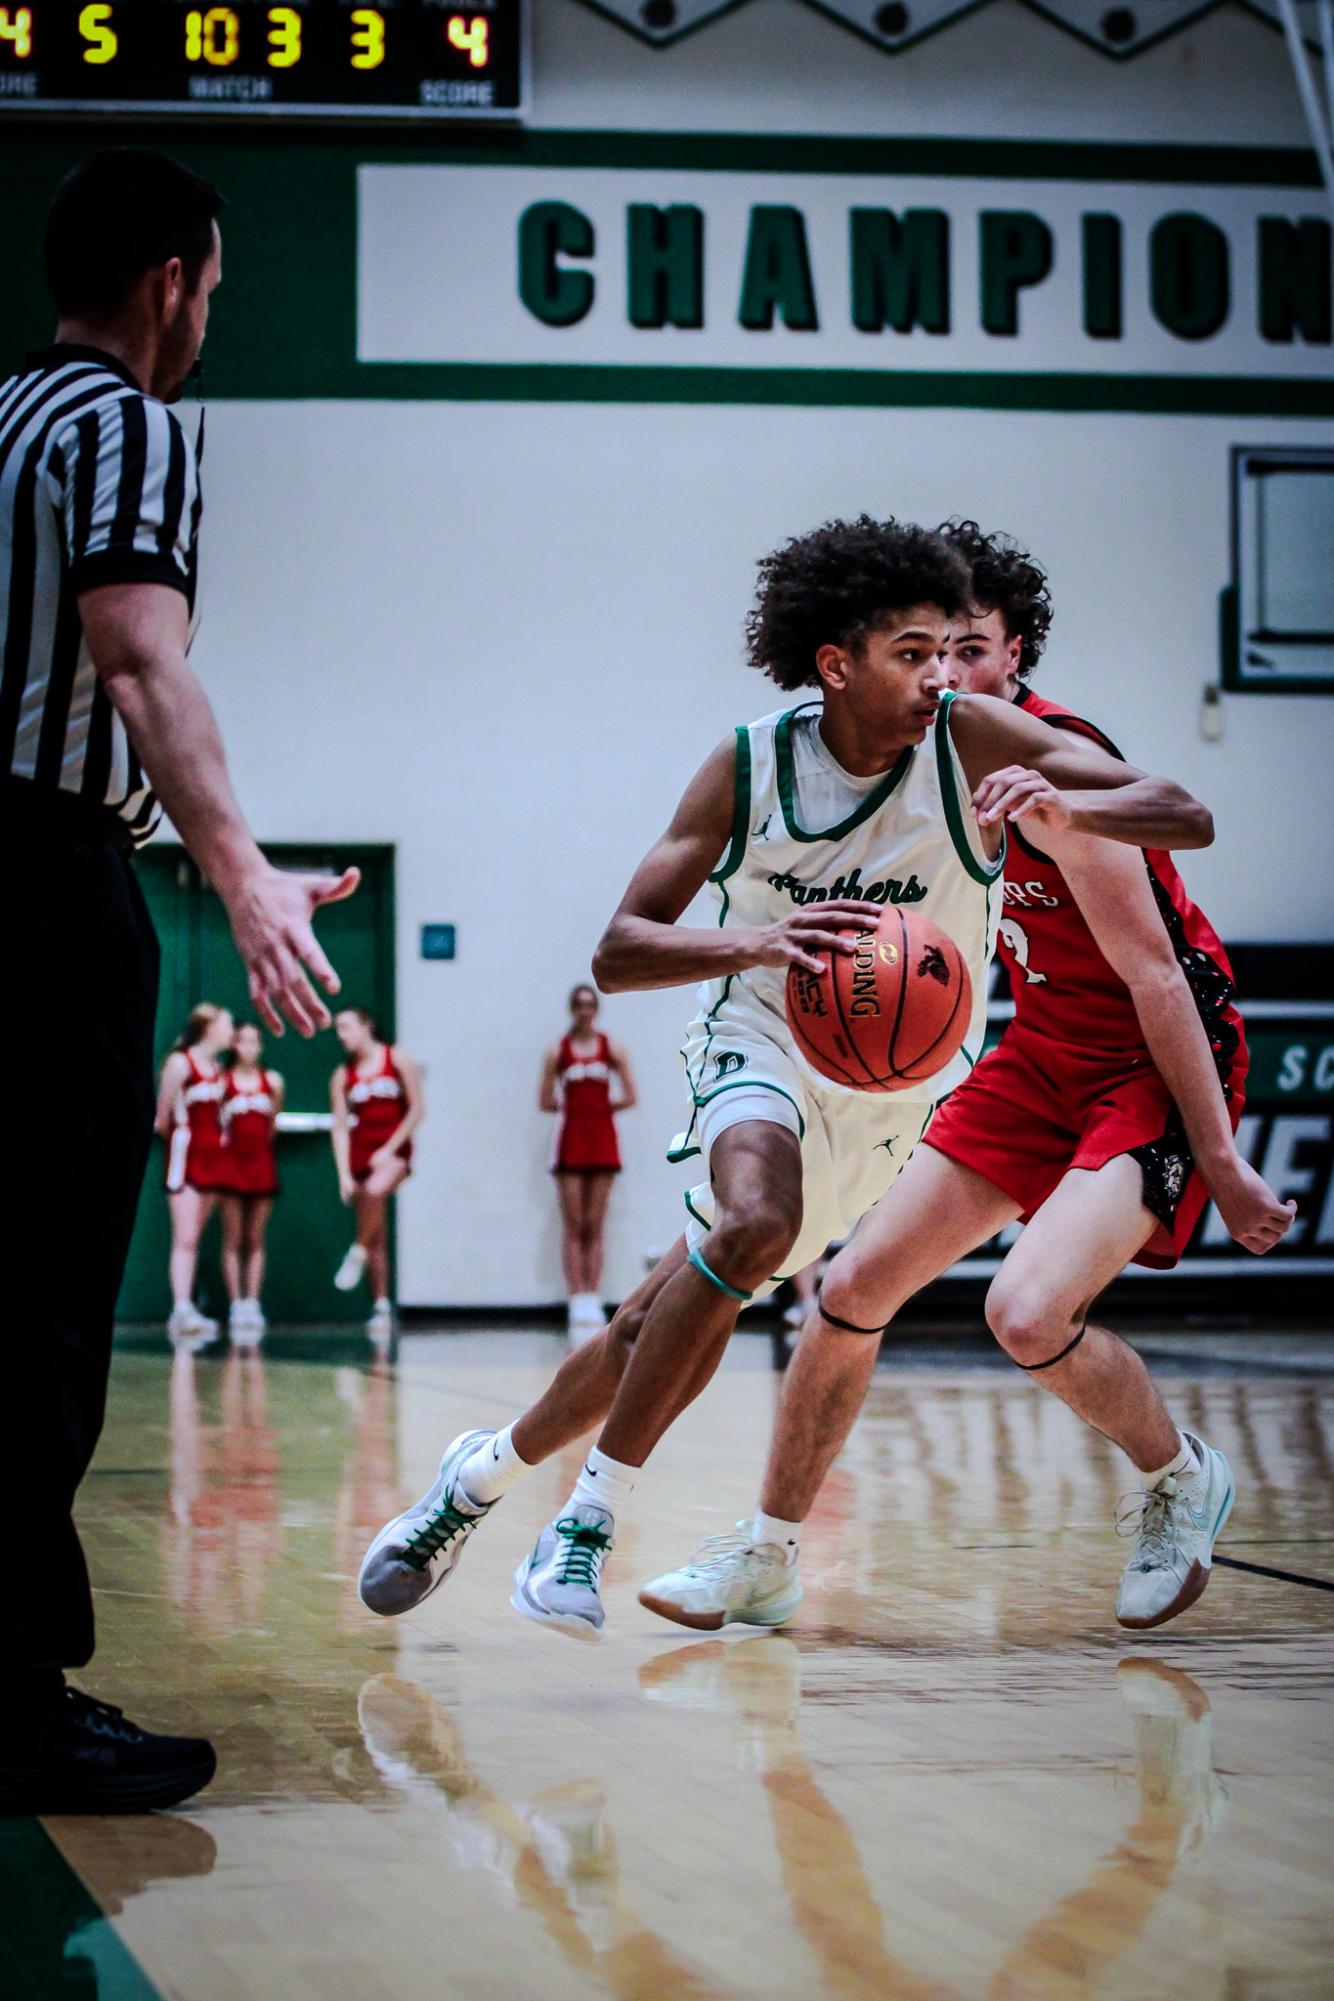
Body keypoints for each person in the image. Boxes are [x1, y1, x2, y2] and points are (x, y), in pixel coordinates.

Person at [357, 516, 1212, 1640]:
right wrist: (757, 944)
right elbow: (617, 950)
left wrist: (1060, 807)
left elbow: (1181, 813)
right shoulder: (748, 762)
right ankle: (587, 1521)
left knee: (650, 1324)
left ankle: (471, 1484)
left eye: (947, 652)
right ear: (836, 663)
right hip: (759, 1039)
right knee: (757, 1221)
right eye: (911, 654)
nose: (936, 677)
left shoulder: (973, 742)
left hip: (895, 1093)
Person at [638, 520, 1295, 1637]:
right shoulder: (913, 762)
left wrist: (1221, 1159)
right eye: (928, 653)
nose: (947, 678)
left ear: (1014, 656)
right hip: (1035, 1052)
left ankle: (1174, 1472)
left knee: (1025, 1309)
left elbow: (1153, 969)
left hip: (1148, 1057)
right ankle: (766, 1554)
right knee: (849, 1292)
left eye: (970, 651)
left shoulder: (1042, 763)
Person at [0, 149, 356, 1816]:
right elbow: (141, 656)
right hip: (36, 881)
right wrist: (242, 879)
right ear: (170, 279)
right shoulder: (121, 422)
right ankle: (12, 1697)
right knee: (41, 1290)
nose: (205, 314)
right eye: (209, 287)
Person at [540, 981, 637, 1336]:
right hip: (570, 1139)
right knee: (574, 1221)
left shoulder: (612, 1048)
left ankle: (593, 1295)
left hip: (602, 1139)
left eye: (590, 1005)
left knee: (596, 1222)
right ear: (572, 1009)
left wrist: (599, 1108)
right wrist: (575, 1109)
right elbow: (544, 1100)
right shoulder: (558, 1051)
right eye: (579, 1004)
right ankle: (575, 1296)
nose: (585, 1011)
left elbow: (630, 1095)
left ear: (596, 1009)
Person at [330, 1008, 424, 1340]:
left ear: (366, 1025)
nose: (341, 1034)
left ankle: (355, 1251)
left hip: (394, 1151)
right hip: (361, 1154)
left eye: (346, 1026)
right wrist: (343, 1173)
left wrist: (390, 1148)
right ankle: (381, 1304)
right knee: (377, 1234)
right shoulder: (343, 1075)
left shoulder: (397, 1059)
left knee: (373, 1193)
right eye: (337, 1029)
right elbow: (340, 1126)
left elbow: (416, 1108)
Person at [156, 1002, 235, 1345]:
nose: (231, 1031)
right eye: (227, 1024)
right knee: (184, 1237)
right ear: (208, 1026)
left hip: (214, 1157)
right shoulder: (179, 1062)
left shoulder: (218, 1068)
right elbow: (162, 1119)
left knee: (197, 1237)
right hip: (186, 1157)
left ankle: (189, 1307)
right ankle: (182, 1308)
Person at [219, 1019, 283, 1343]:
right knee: (233, 1237)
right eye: (243, 1040)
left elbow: (271, 1126)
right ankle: (235, 1304)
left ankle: (252, 1303)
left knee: (255, 1238)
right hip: (230, 1166)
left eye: (255, 1041)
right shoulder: (223, 1082)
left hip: (261, 1165)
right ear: (233, 1045)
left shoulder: (272, 1082)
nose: (249, 1047)